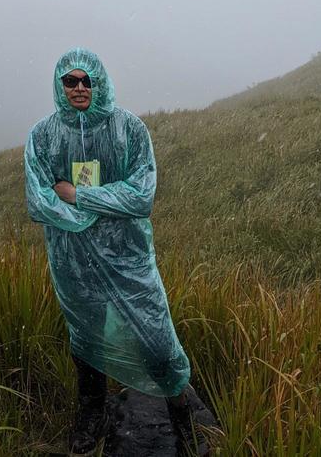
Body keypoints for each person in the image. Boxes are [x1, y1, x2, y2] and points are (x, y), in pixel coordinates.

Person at [24, 47, 210, 456]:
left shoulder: (129, 129)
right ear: (59, 86)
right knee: (86, 337)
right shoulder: (42, 136)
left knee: (156, 337)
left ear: (99, 82)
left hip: (129, 260)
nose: (79, 88)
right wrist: (97, 212)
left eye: (86, 80)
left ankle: (182, 412)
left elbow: (140, 196)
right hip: (72, 262)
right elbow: (39, 202)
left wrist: (79, 197)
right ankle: (92, 414)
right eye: (70, 81)